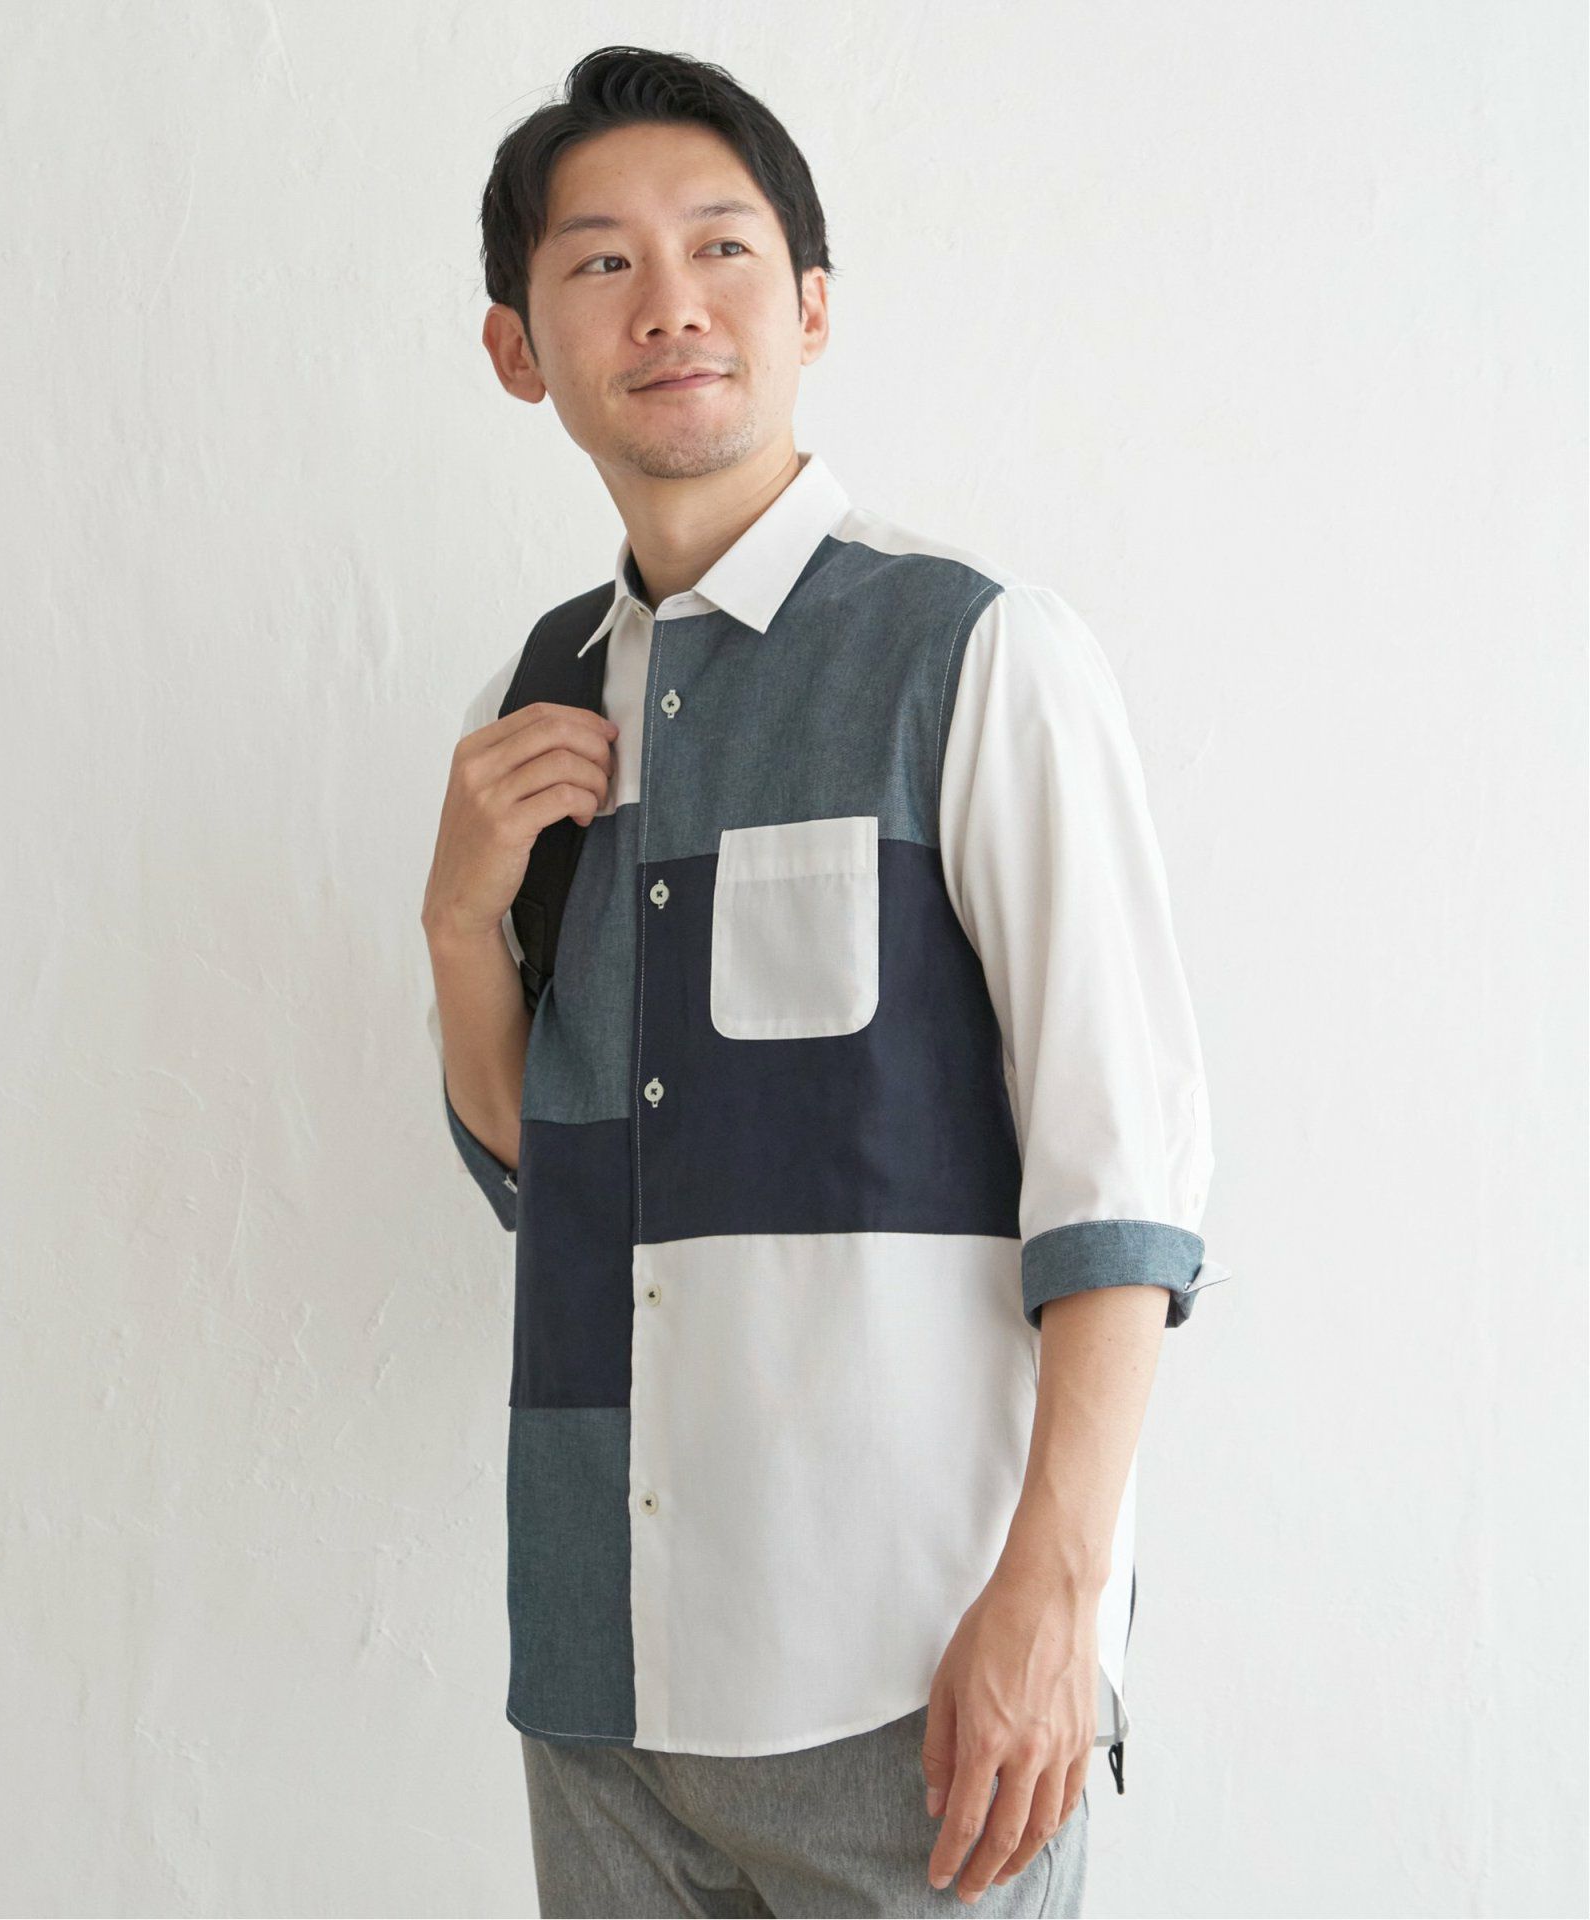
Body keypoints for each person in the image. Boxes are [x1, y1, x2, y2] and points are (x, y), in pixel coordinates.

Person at [421, 44, 1228, 1919]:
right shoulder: (532, 706)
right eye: (602, 261)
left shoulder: (980, 655)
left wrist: (1060, 1599)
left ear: (811, 306)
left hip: (914, 1684)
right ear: (519, 347)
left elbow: (1123, 1175)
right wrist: (460, 921)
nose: (670, 301)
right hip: (601, 1686)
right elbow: (552, 1174)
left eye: (721, 245)